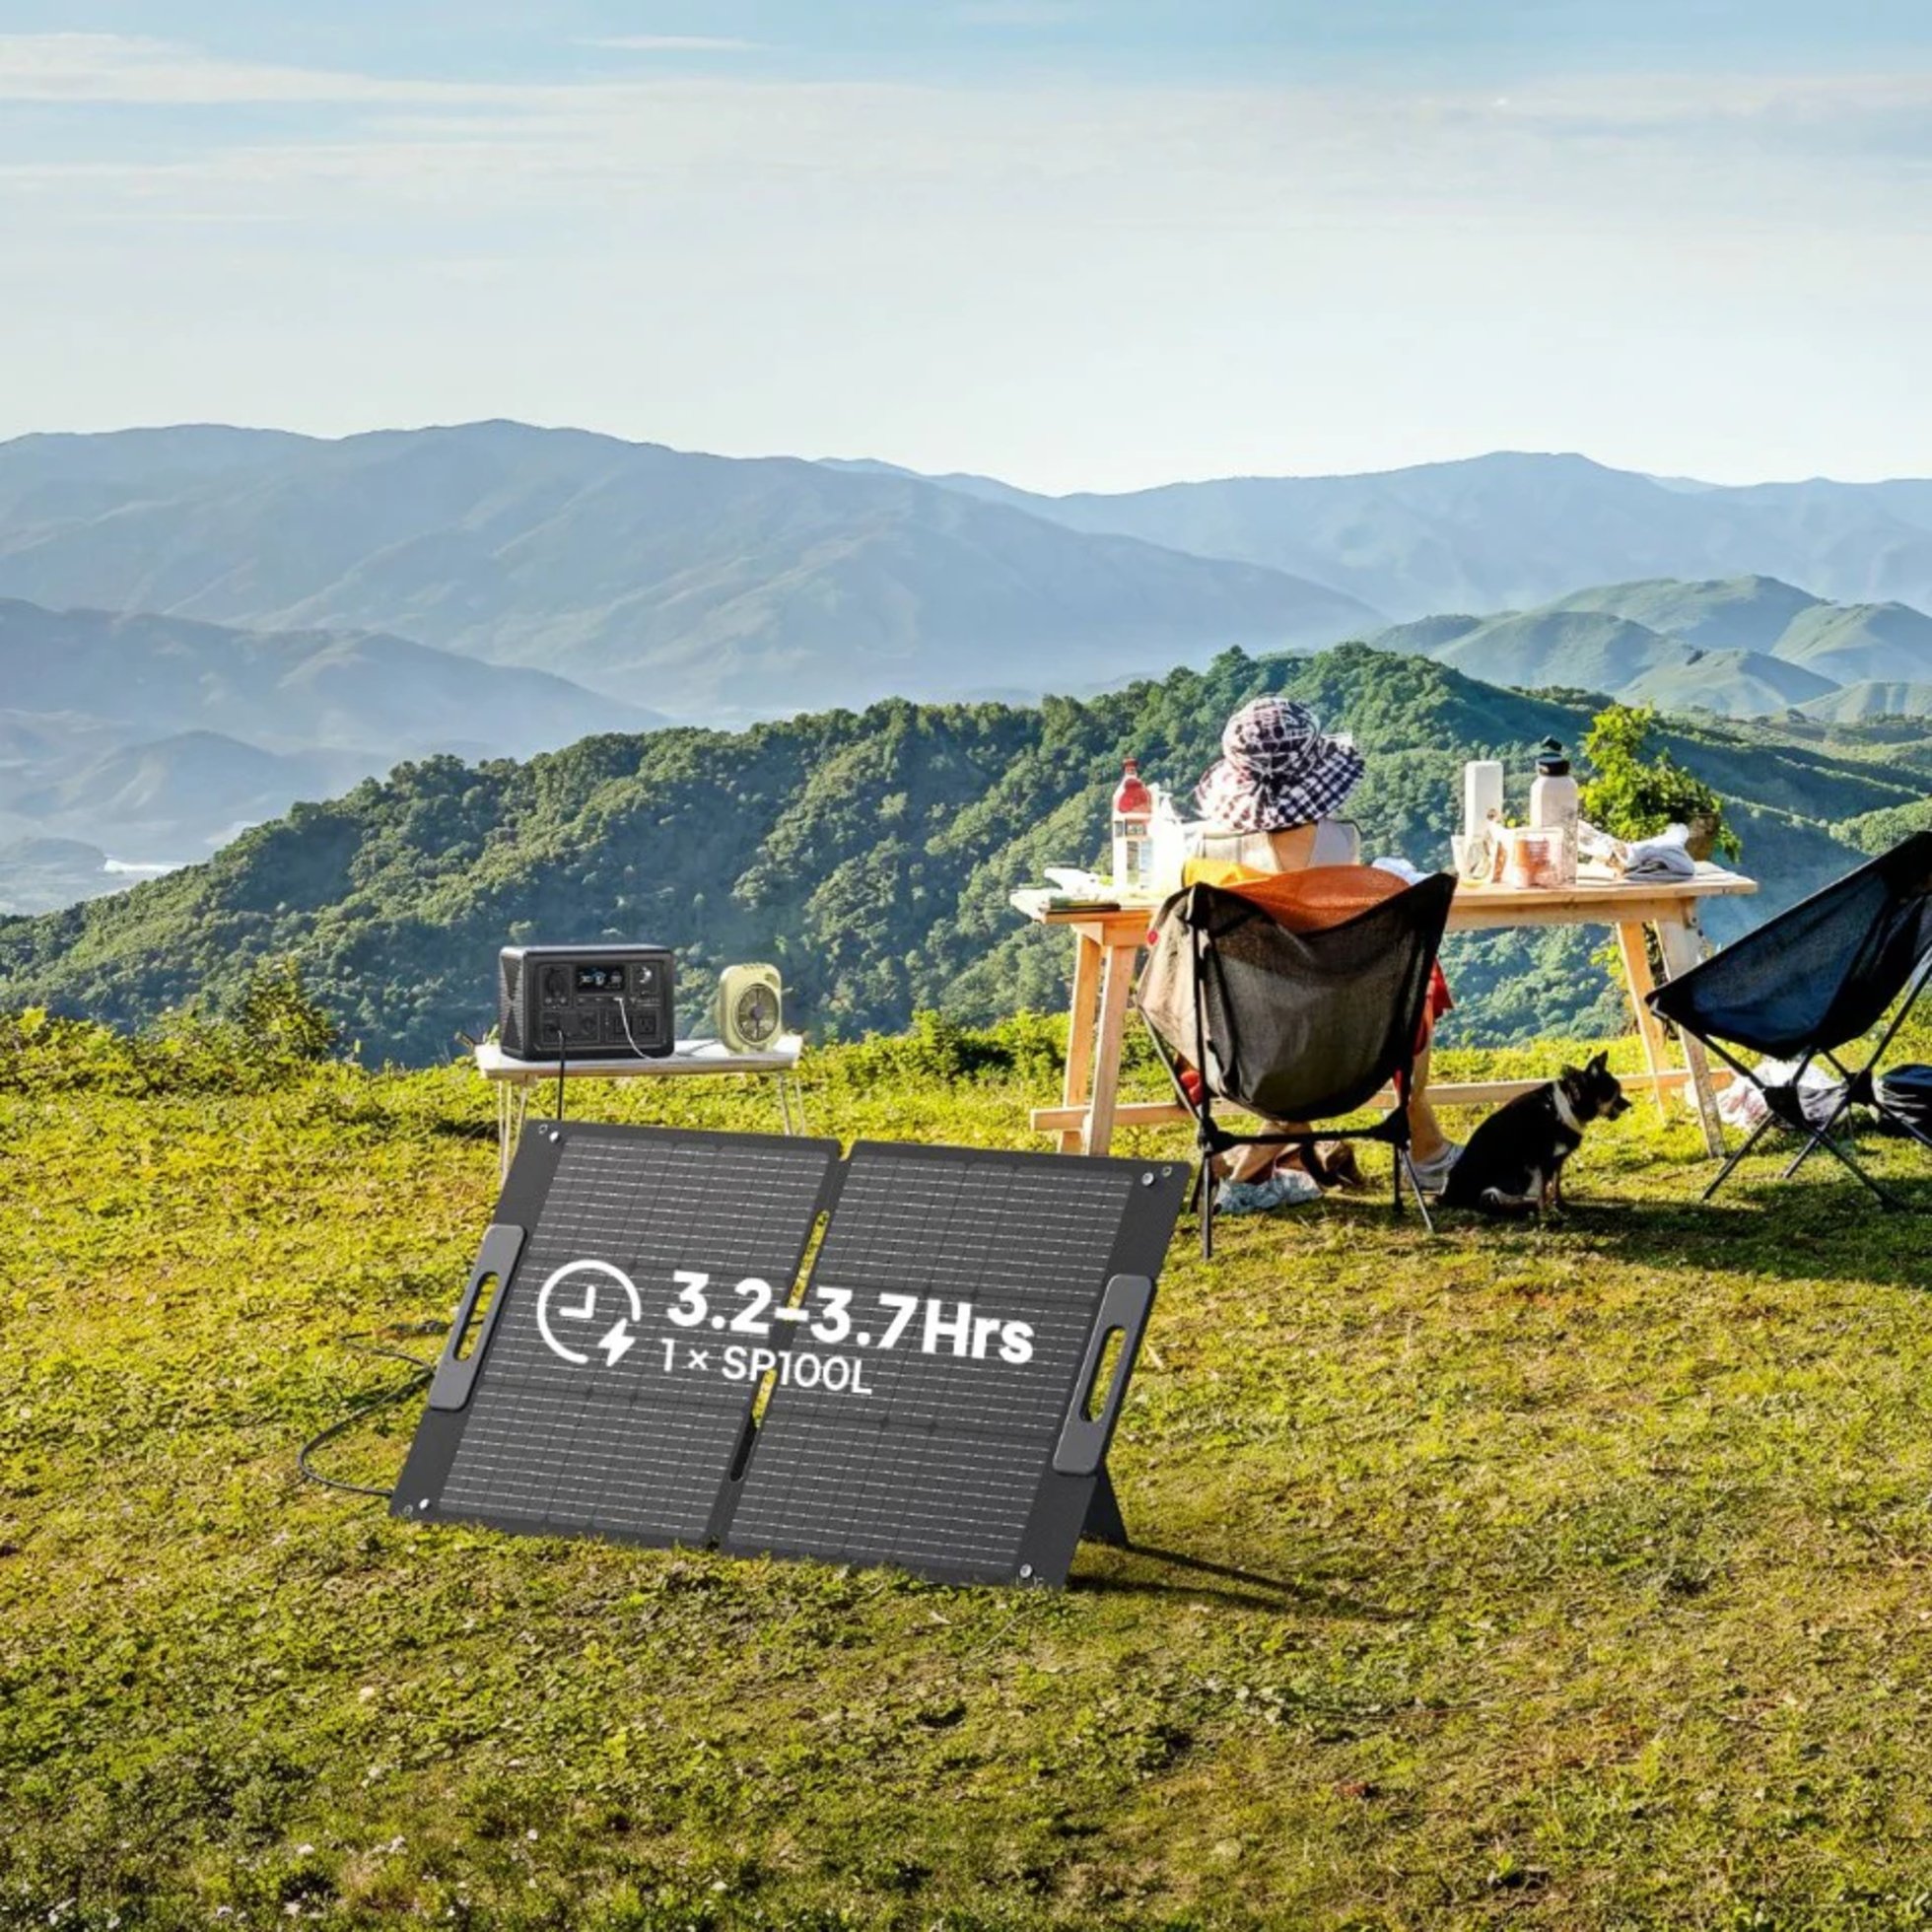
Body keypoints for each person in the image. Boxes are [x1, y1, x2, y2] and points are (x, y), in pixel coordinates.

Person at [1191, 694, 1461, 1215]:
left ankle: (1258, 1159)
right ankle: (1421, 1148)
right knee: (1421, 981)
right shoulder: (1340, 840)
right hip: (1345, 1038)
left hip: (1242, 1038)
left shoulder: (1204, 855)